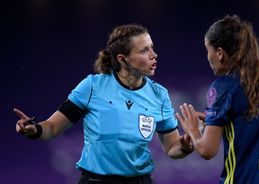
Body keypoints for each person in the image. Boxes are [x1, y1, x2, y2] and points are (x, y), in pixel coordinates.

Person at [14, 24, 194, 184]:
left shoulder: (159, 94)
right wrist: (34, 130)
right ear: (123, 59)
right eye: (144, 50)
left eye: (152, 48)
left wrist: (184, 147)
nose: (154, 55)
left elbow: (172, 148)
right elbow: (52, 128)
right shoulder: (93, 86)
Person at [176, 15, 259, 184]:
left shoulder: (224, 87)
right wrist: (220, 120)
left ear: (220, 53)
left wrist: (194, 130)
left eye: (207, 50)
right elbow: (254, 123)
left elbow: (207, 150)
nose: (207, 56)